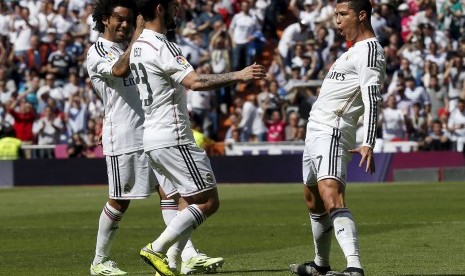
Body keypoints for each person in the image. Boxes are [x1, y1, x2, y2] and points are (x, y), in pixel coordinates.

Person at [86, 1, 224, 275]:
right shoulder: (97, 51)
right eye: (119, 19)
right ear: (104, 20)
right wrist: (138, 35)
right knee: (119, 200)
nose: (125, 24)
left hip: (151, 132)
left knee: (174, 193)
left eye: (129, 19)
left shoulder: (139, 47)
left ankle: (185, 255)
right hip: (124, 135)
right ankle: (99, 261)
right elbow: (118, 71)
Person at [130, 1, 267, 275]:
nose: (177, 11)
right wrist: (239, 75)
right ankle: (155, 248)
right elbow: (194, 82)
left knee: (185, 202)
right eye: (173, 6)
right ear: (160, 8)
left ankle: (168, 265)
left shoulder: (137, 46)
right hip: (174, 136)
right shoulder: (161, 45)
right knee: (208, 202)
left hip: (152, 138)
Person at [289, 1, 386, 276]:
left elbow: (371, 97)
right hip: (315, 130)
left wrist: (368, 140)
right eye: (336, 15)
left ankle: (354, 267)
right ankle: (321, 265)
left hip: (332, 129)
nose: (337, 21)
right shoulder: (353, 51)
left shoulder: (369, 51)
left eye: (343, 15)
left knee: (332, 196)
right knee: (313, 199)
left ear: (362, 15)